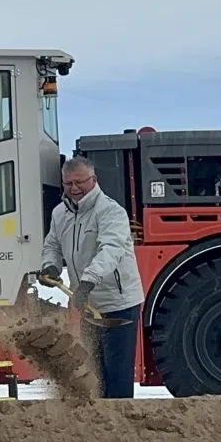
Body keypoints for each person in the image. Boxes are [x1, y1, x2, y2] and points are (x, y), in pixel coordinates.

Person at [38, 155, 145, 399]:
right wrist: (51, 266)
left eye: (80, 182)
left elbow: (111, 249)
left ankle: (120, 423)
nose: (74, 189)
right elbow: (52, 245)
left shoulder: (110, 211)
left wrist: (87, 281)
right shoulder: (59, 214)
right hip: (87, 303)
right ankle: (100, 425)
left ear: (94, 180)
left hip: (119, 304)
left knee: (117, 374)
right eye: (68, 183)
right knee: (95, 372)